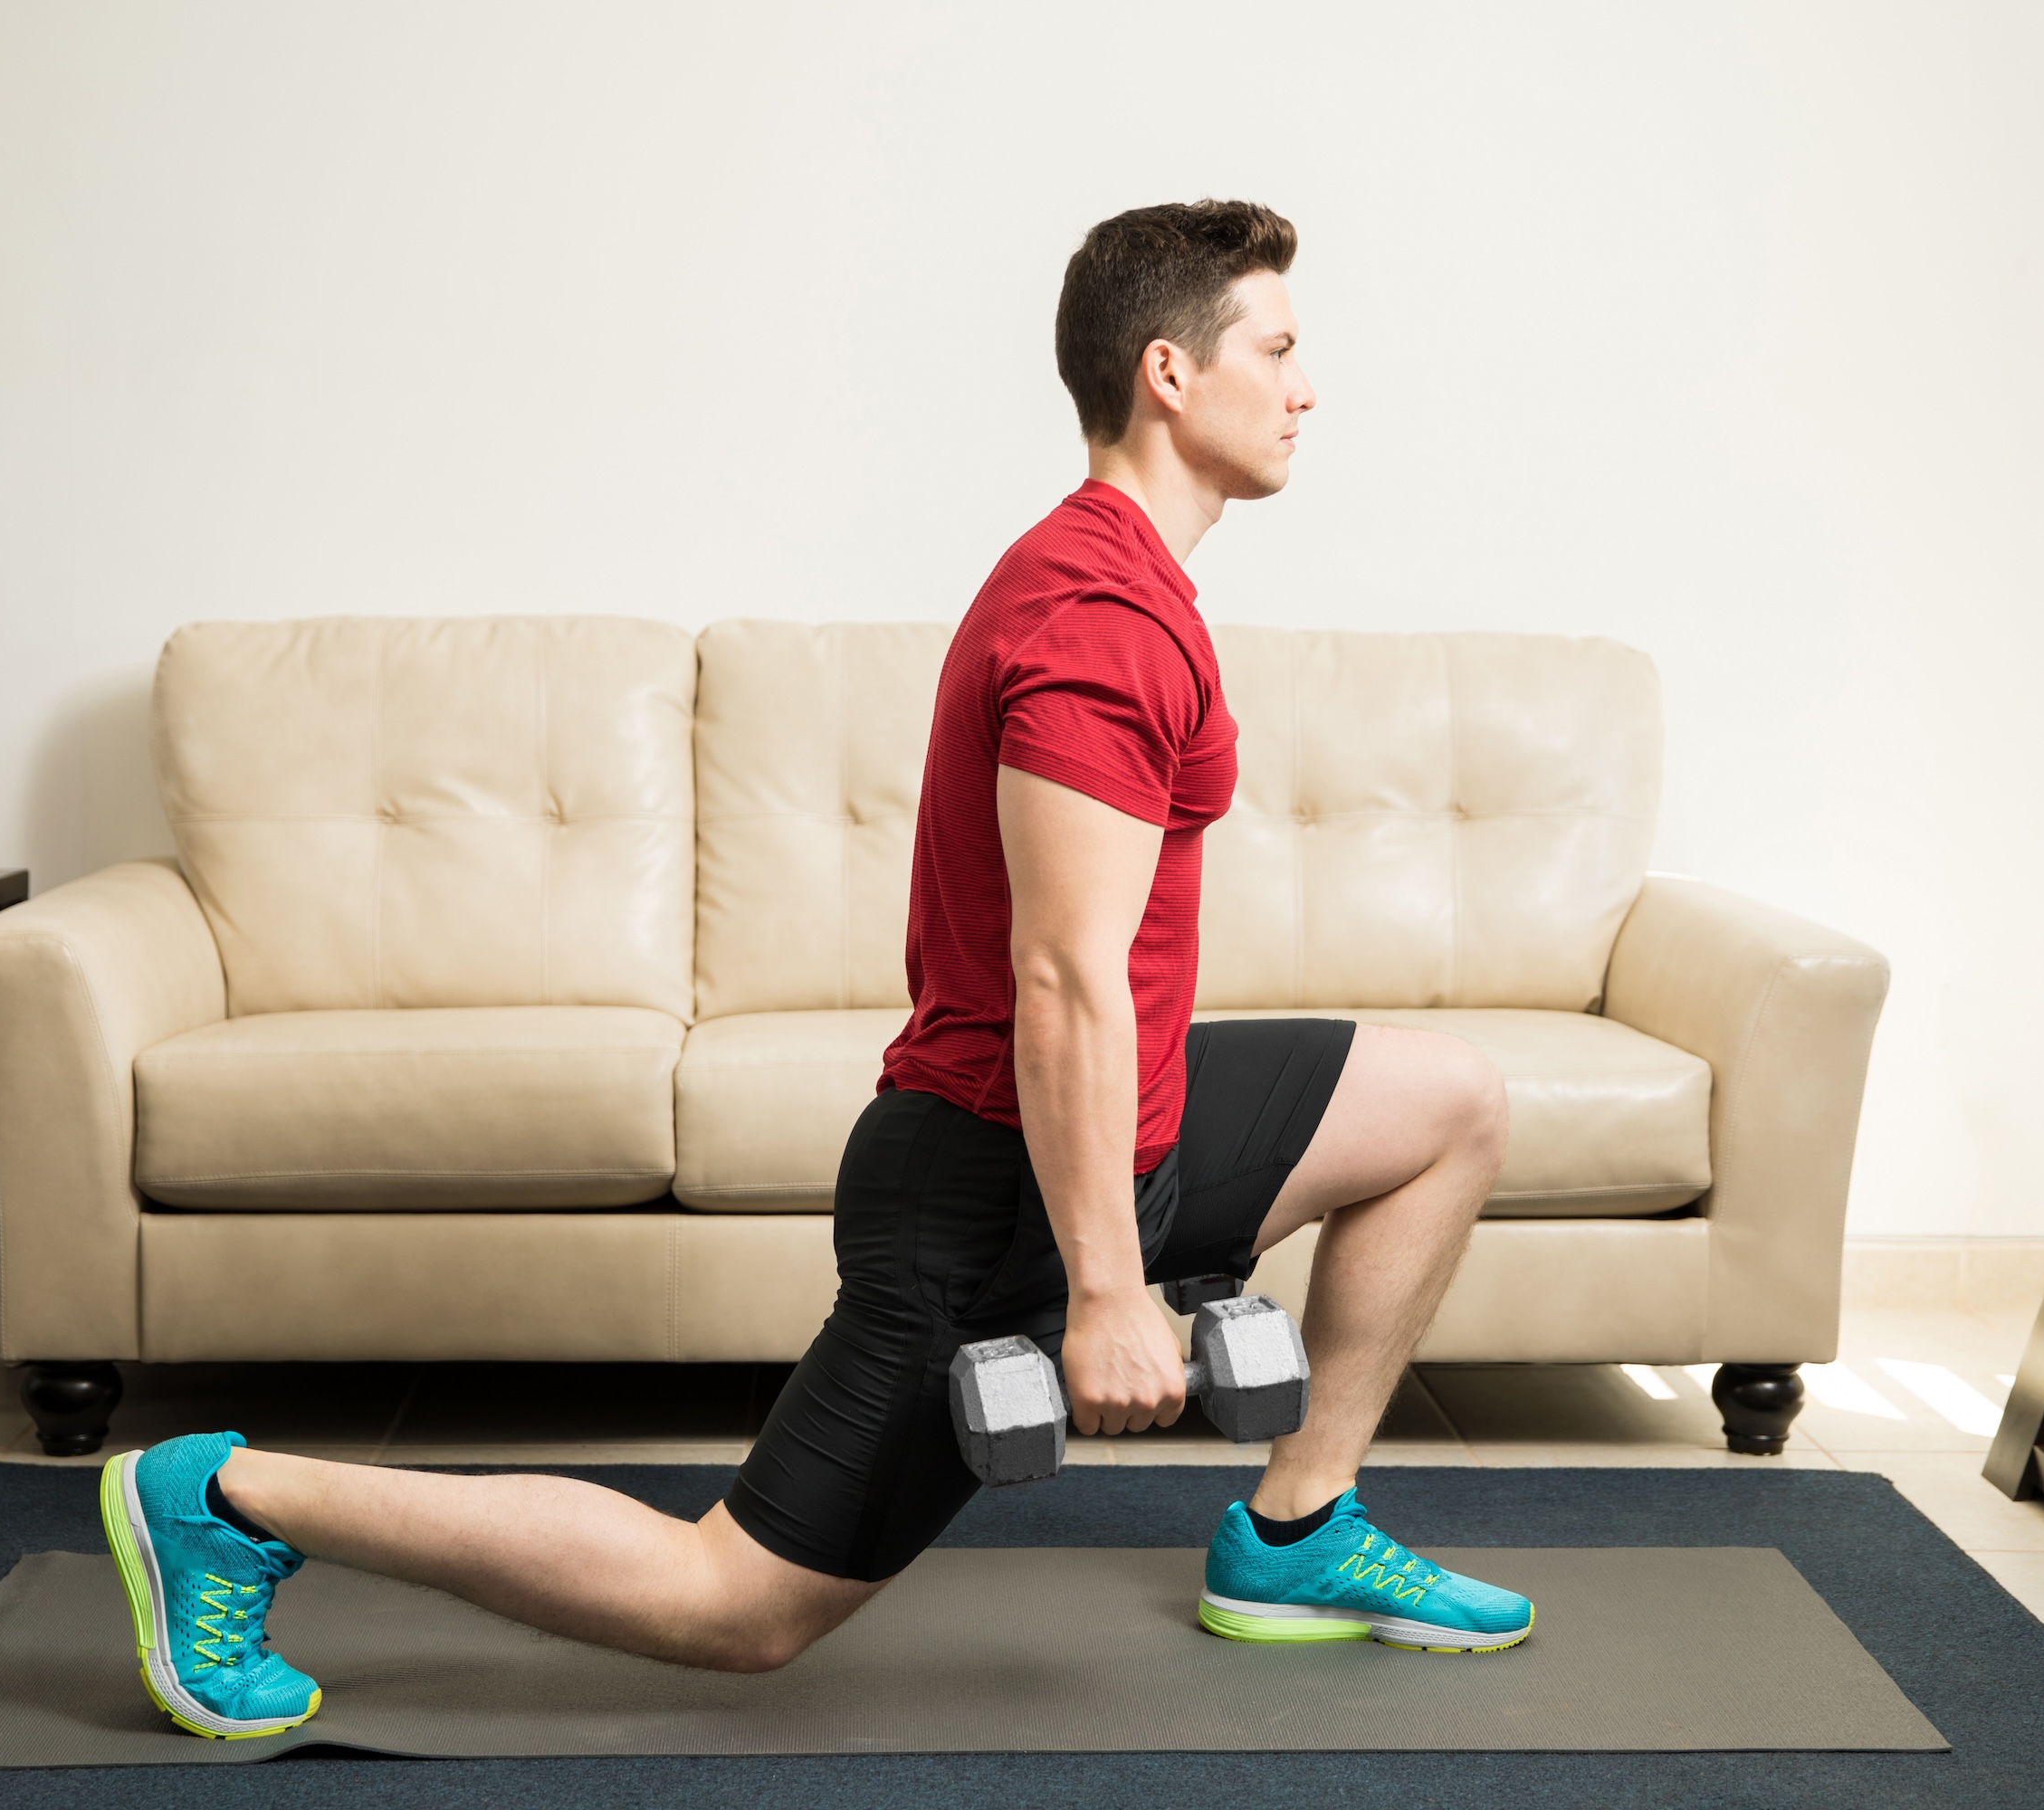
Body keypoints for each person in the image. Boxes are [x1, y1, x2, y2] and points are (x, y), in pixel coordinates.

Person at [98, 198, 1527, 1742]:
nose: (1308, 387)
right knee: (735, 1608)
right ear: (1171, 372)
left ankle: (1296, 1533)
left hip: (1135, 1127)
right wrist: (1109, 1285)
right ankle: (223, 1493)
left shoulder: (1130, 576)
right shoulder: (1100, 620)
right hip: (993, 1191)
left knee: (1444, 1102)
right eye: (1281, 349)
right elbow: (1061, 978)